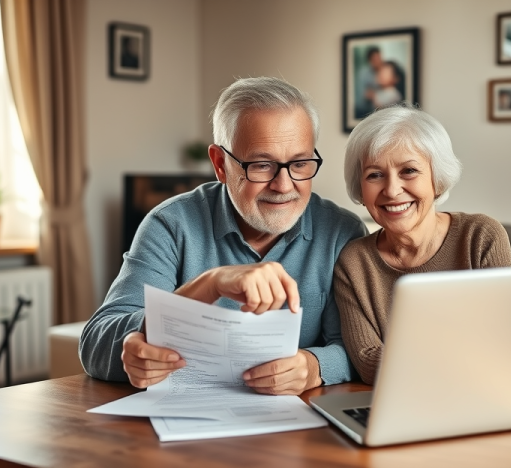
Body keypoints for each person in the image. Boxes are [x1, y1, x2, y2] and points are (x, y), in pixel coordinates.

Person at [79, 77, 368, 395]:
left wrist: (314, 367)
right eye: (261, 165)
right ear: (220, 164)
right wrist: (208, 286)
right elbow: (96, 343)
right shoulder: (170, 225)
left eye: (299, 163)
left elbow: (360, 349)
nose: (284, 185)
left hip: (299, 428)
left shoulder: (342, 232)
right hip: (183, 427)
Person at [333, 105, 511, 384]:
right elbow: (368, 362)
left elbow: (502, 342)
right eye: (374, 174)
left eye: (409, 170)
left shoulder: (480, 236)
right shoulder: (353, 262)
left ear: (437, 179)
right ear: (361, 187)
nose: (392, 190)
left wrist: (408, 359)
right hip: (398, 405)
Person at [355, 46, 383, 118]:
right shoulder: (364, 73)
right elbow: (363, 95)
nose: (378, 61)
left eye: (379, 58)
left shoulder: (385, 70)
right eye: (375, 59)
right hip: (365, 110)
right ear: (370, 61)